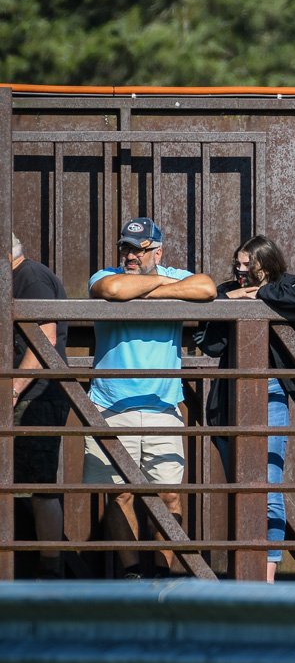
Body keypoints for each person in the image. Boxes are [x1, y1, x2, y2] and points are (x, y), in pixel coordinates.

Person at [85, 217, 215, 577]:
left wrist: (144, 287)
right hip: (110, 404)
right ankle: (132, 577)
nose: (130, 255)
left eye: (139, 250)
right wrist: (166, 286)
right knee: (118, 494)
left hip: (162, 405)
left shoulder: (178, 272)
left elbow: (206, 289)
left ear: (158, 251)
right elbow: (112, 290)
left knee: (169, 495)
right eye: (125, 247)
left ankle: (162, 579)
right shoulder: (104, 274)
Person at [195, 235, 295, 583]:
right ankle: (245, 572)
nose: (240, 269)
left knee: (268, 483)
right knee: (241, 485)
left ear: (266, 262)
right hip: (230, 396)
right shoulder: (226, 290)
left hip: (272, 391)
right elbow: (208, 342)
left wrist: (259, 294)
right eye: (238, 262)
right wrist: (232, 298)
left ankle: (265, 577)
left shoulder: (288, 283)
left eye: (248, 263)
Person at [10, 234, 71, 578]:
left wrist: (14, 389)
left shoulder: (30, 277)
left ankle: (50, 572)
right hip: (27, 394)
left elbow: (44, 338)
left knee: (40, 486)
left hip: (37, 395)